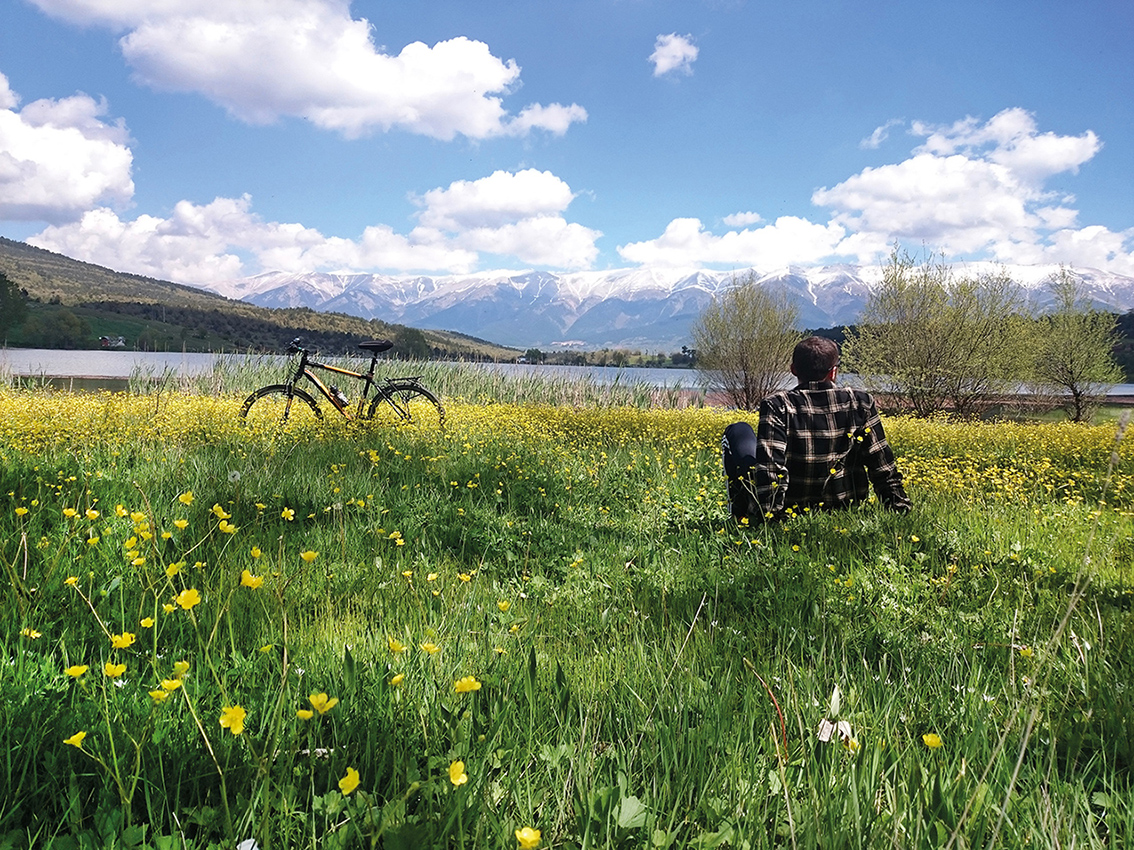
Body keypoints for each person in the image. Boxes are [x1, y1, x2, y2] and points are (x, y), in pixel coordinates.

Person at [722, 336, 911, 522]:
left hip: (792, 507)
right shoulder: (860, 401)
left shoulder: (777, 404)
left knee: (738, 431)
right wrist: (899, 508)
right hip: (845, 505)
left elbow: (771, 467)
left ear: (793, 370)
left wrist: (768, 517)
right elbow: (881, 463)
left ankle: (739, 513)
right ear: (834, 372)